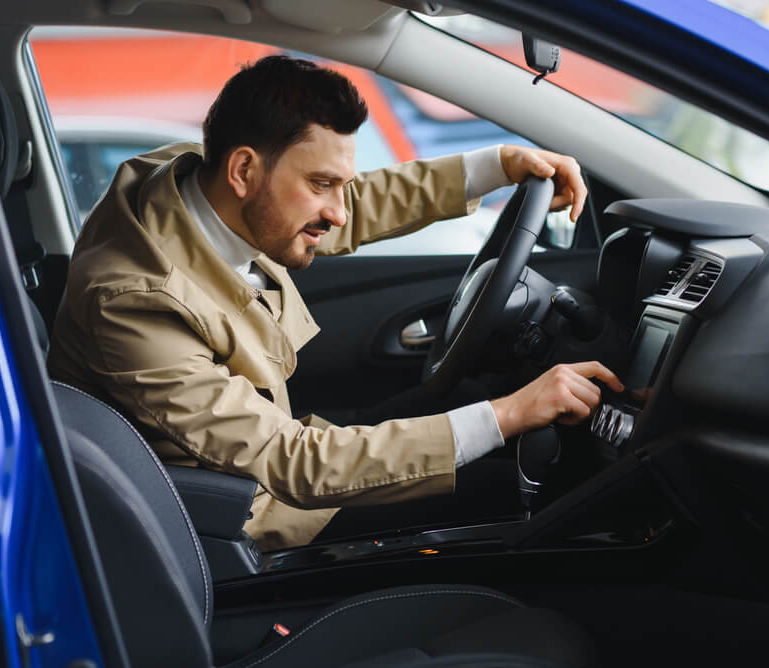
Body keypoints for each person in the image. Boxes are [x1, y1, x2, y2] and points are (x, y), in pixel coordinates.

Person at [47, 55, 623, 552]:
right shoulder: (131, 303)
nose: (339, 211)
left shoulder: (194, 183)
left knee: (474, 407)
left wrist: (496, 166)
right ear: (244, 169)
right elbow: (289, 461)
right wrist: (510, 414)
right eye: (321, 185)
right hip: (233, 515)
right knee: (528, 495)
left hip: (263, 460)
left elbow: (353, 205)